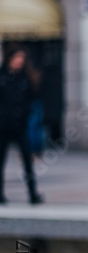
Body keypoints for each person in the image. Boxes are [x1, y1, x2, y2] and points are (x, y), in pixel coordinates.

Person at [0, 45, 43, 205]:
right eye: (17, 58)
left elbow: (33, 98)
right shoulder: (2, 76)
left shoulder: (26, 78)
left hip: (20, 126)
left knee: (27, 161)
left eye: (22, 59)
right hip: (3, 127)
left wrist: (27, 113)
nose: (19, 62)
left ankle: (33, 194)